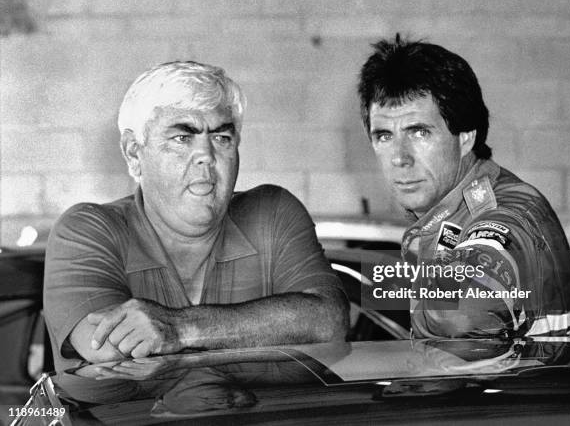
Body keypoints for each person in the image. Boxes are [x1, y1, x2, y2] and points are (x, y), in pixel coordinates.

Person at [43, 61, 349, 373]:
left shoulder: (272, 213)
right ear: (134, 153)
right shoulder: (87, 230)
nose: (207, 155)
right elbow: (107, 346)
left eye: (221, 138)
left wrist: (181, 329)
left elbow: (330, 322)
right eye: (182, 137)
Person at [357, 35, 570, 338]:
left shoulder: (505, 214)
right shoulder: (444, 219)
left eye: (419, 132)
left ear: (466, 137)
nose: (399, 157)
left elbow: (462, 316)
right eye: (384, 136)